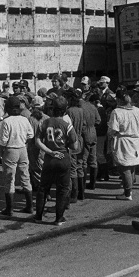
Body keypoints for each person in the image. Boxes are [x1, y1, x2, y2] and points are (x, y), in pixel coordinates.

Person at [34, 95, 78, 225]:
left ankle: (38, 216)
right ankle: (59, 218)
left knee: (43, 188)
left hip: (49, 158)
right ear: (65, 109)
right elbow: (75, 145)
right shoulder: (66, 124)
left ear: (52, 109)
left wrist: (50, 151)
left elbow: (37, 141)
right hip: (63, 158)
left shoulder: (44, 122)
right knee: (62, 189)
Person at [0, 95, 35, 216]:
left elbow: (3, 140)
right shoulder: (24, 119)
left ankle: (10, 208)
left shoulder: (6, 121)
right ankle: (29, 206)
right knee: (25, 176)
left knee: (9, 178)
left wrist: (2, 150)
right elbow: (31, 135)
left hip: (10, 150)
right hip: (22, 149)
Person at [107, 88, 139, 200]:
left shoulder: (117, 112)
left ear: (118, 100)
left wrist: (112, 135)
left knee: (124, 168)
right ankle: (129, 189)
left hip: (123, 141)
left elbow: (112, 129)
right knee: (132, 165)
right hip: (135, 140)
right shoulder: (137, 110)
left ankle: (127, 193)